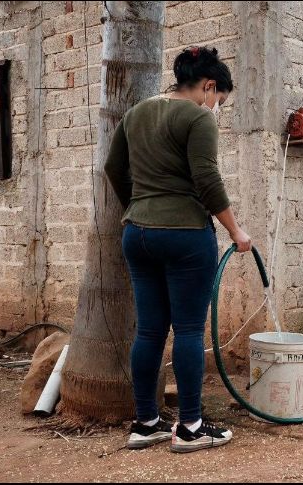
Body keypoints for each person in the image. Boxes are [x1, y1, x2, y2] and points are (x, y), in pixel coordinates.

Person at [105, 46, 251, 453]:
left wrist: (140, 206)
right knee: (187, 329)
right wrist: (237, 231)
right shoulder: (198, 116)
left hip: (137, 234)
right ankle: (190, 426)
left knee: (150, 329)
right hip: (185, 233)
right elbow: (206, 178)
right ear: (208, 86)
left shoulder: (136, 113)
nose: (216, 107)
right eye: (219, 99)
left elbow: (113, 169)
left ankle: (146, 421)